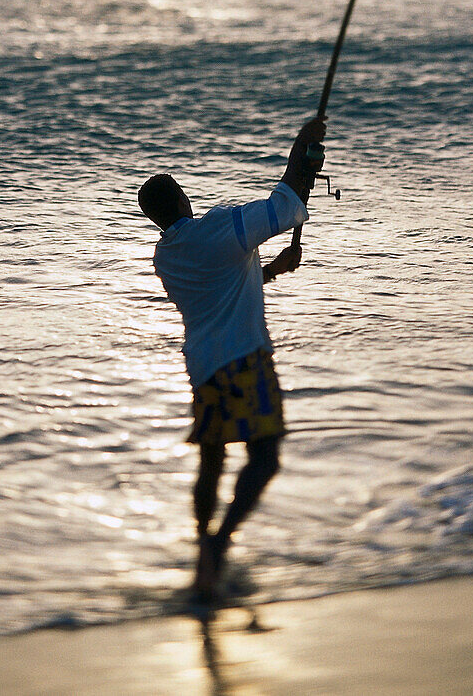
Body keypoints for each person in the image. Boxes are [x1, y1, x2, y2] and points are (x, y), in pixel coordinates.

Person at [138, 116, 326, 599]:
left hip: (203, 369)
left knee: (212, 462)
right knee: (263, 459)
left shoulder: (168, 257)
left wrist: (271, 271)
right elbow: (286, 208)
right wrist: (301, 148)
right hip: (245, 357)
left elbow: (222, 287)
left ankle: (204, 548)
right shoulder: (218, 229)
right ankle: (220, 546)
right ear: (182, 200)